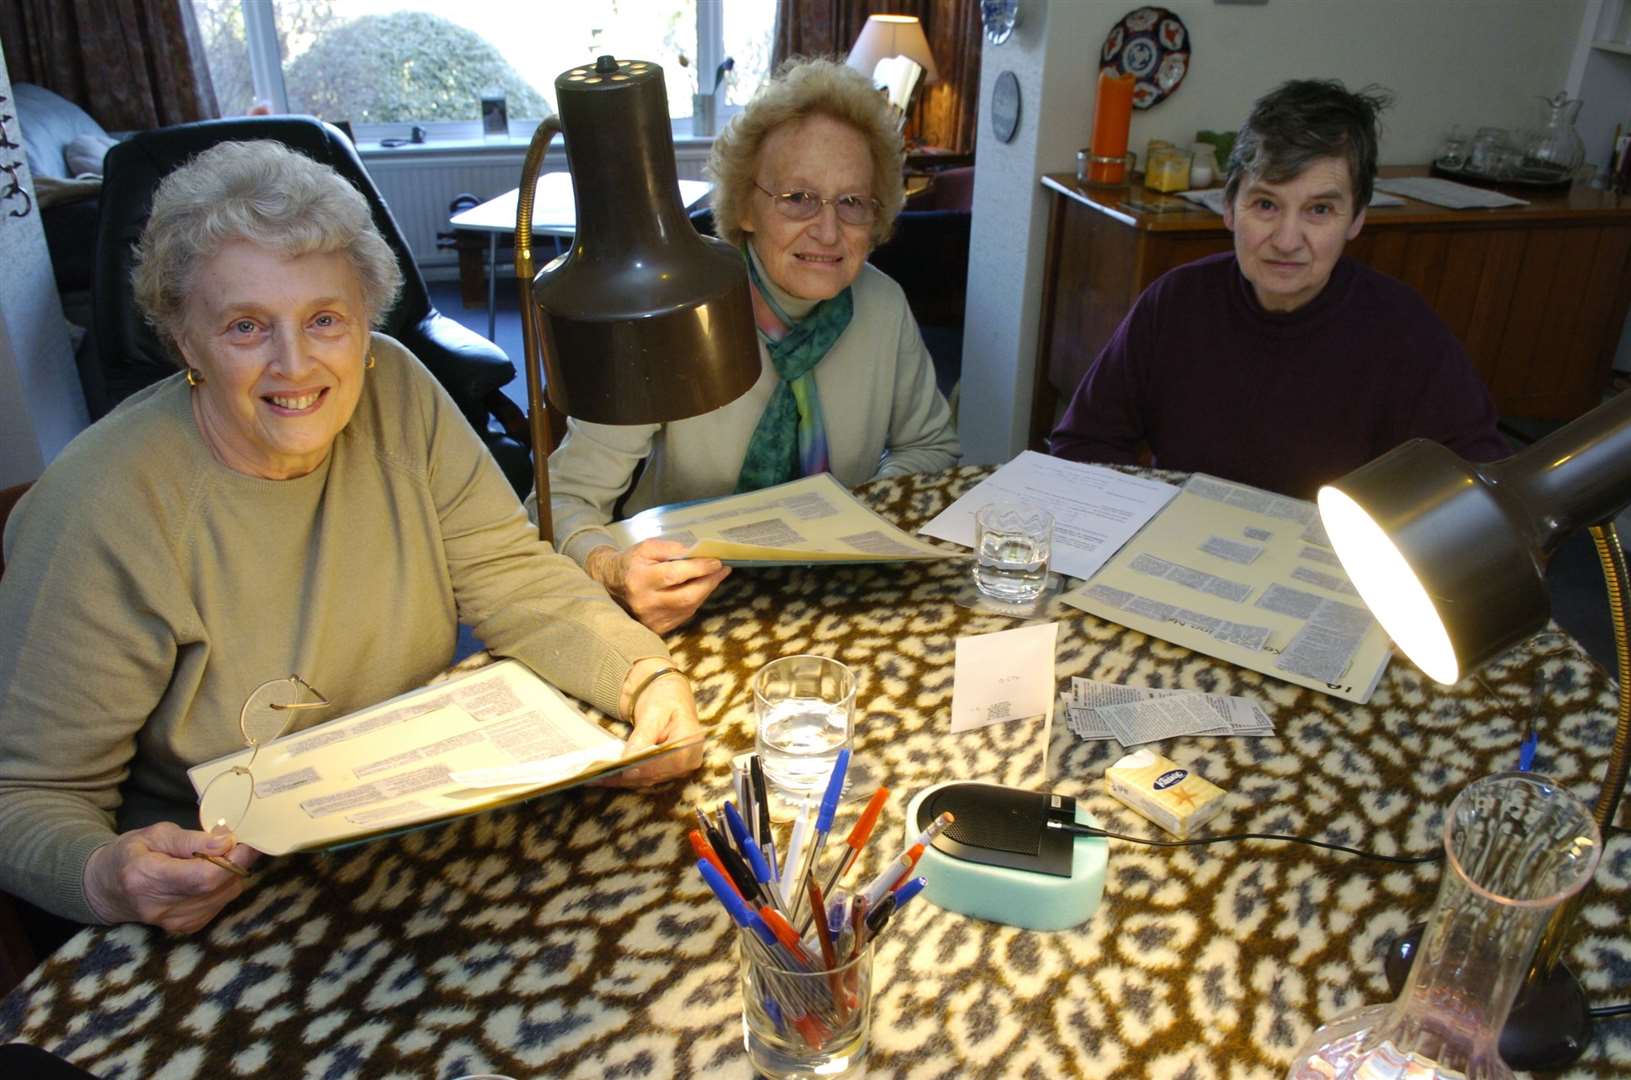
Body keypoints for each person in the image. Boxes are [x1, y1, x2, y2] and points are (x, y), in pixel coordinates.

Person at [0, 141, 702, 934]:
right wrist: (109, 875)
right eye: (244, 326)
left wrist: (644, 677)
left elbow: (511, 574)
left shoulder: (396, 387)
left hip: (413, 838)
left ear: (366, 319)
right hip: (232, 896)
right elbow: (24, 797)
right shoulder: (98, 511)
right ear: (183, 339)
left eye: (326, 319)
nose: (295, 365)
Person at [536, 57, 960, 633]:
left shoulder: (883, 305)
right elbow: (557, 500)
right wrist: (613, 571)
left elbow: (931, 449)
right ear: (744, 206)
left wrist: (840, 518)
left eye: (853, 202)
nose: (829, 231)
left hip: (836, 604)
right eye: (797, 197)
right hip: (683, 607)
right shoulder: (674, 312)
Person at [1050, 79, 1508, 499]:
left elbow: (1481, 478)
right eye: (1266, 204)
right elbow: (1085, 442)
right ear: (1229, 207)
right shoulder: (1174, 303)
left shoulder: (1405, 330)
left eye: (1319, 210)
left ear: (1357, 219)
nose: (1287, 241)